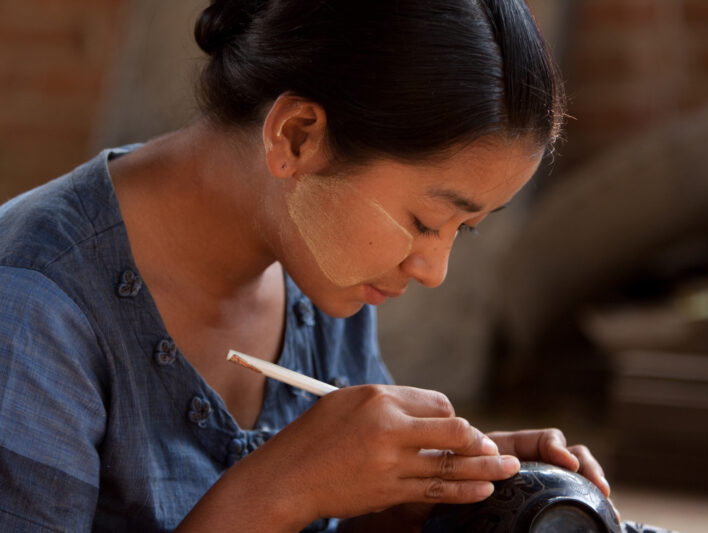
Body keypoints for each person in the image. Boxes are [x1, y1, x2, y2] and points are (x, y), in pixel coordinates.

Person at [0, 1, 613, 531]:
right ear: (296, 137)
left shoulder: (322, 267)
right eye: (426, 222)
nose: (433, 268)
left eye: (465, 229)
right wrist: (279, 491)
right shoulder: (34, 305)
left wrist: (425, 500)